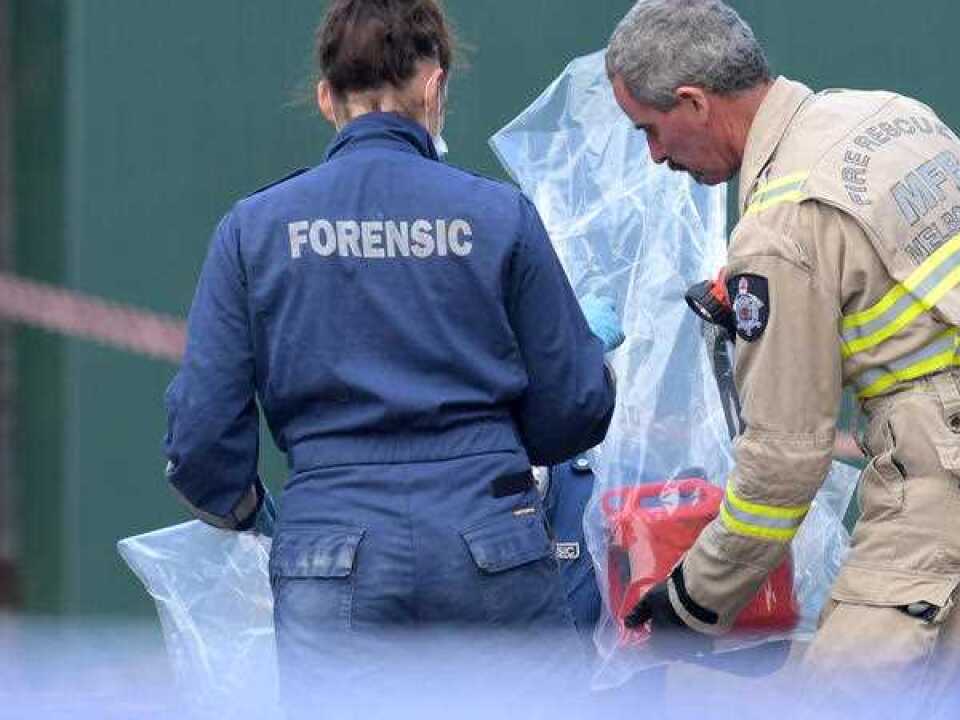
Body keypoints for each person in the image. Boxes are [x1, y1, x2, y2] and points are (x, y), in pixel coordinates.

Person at [608, 0, 960, 706]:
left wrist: (694, 603)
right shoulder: (893, 118)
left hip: (946, 515)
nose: (655, 157)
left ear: (693, 102)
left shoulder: (781, 225)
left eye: (651, 131)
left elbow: (782, 467)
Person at [162, 0, 620, 712]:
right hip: (491, 541)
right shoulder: (498, 215)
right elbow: (578, 402)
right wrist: (487, 456)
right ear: (435, 87)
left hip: (328, 552)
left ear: (325, 99)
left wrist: (249, 507)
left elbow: (200, 434)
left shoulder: (253, 230)